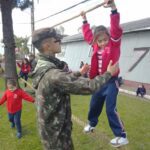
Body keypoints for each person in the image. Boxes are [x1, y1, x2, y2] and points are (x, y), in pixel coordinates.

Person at [31, 27, 119, 150]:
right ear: (47, 46)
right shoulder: (52, 75)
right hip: (57, 137)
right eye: (57, 40)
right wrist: (108, 73)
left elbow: (63, 79)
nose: (60, 42)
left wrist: (79, 73)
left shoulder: (43, 64)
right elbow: (89, 86)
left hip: (52, 130)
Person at [80, 0, 128, 147]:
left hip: (111, 81)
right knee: (94, 104)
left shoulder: (114, 43)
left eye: (105, 40)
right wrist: (84, 19)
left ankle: (121, 135)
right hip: (99, 81)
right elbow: (88, 34)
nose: (103, 43)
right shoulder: (95, 44)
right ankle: (92, 123)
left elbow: (115, 29)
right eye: (99, 41)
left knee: (110, 108)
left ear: (109, 37)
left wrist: (113, 8)